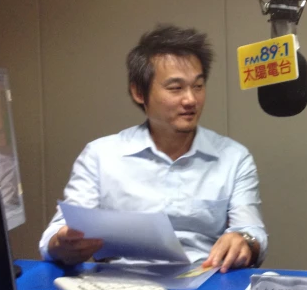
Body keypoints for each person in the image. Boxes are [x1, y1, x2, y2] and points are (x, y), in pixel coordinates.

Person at [39, 24, 267, 272]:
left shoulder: (233, 157)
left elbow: (252, 230)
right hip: (120, 280)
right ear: (139, 92)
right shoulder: (100, 156)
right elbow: (57, 233)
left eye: (198, 86)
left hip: (204, 278)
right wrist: (61, 244)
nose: (191, 99)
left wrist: (245, 241)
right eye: (175, 88)